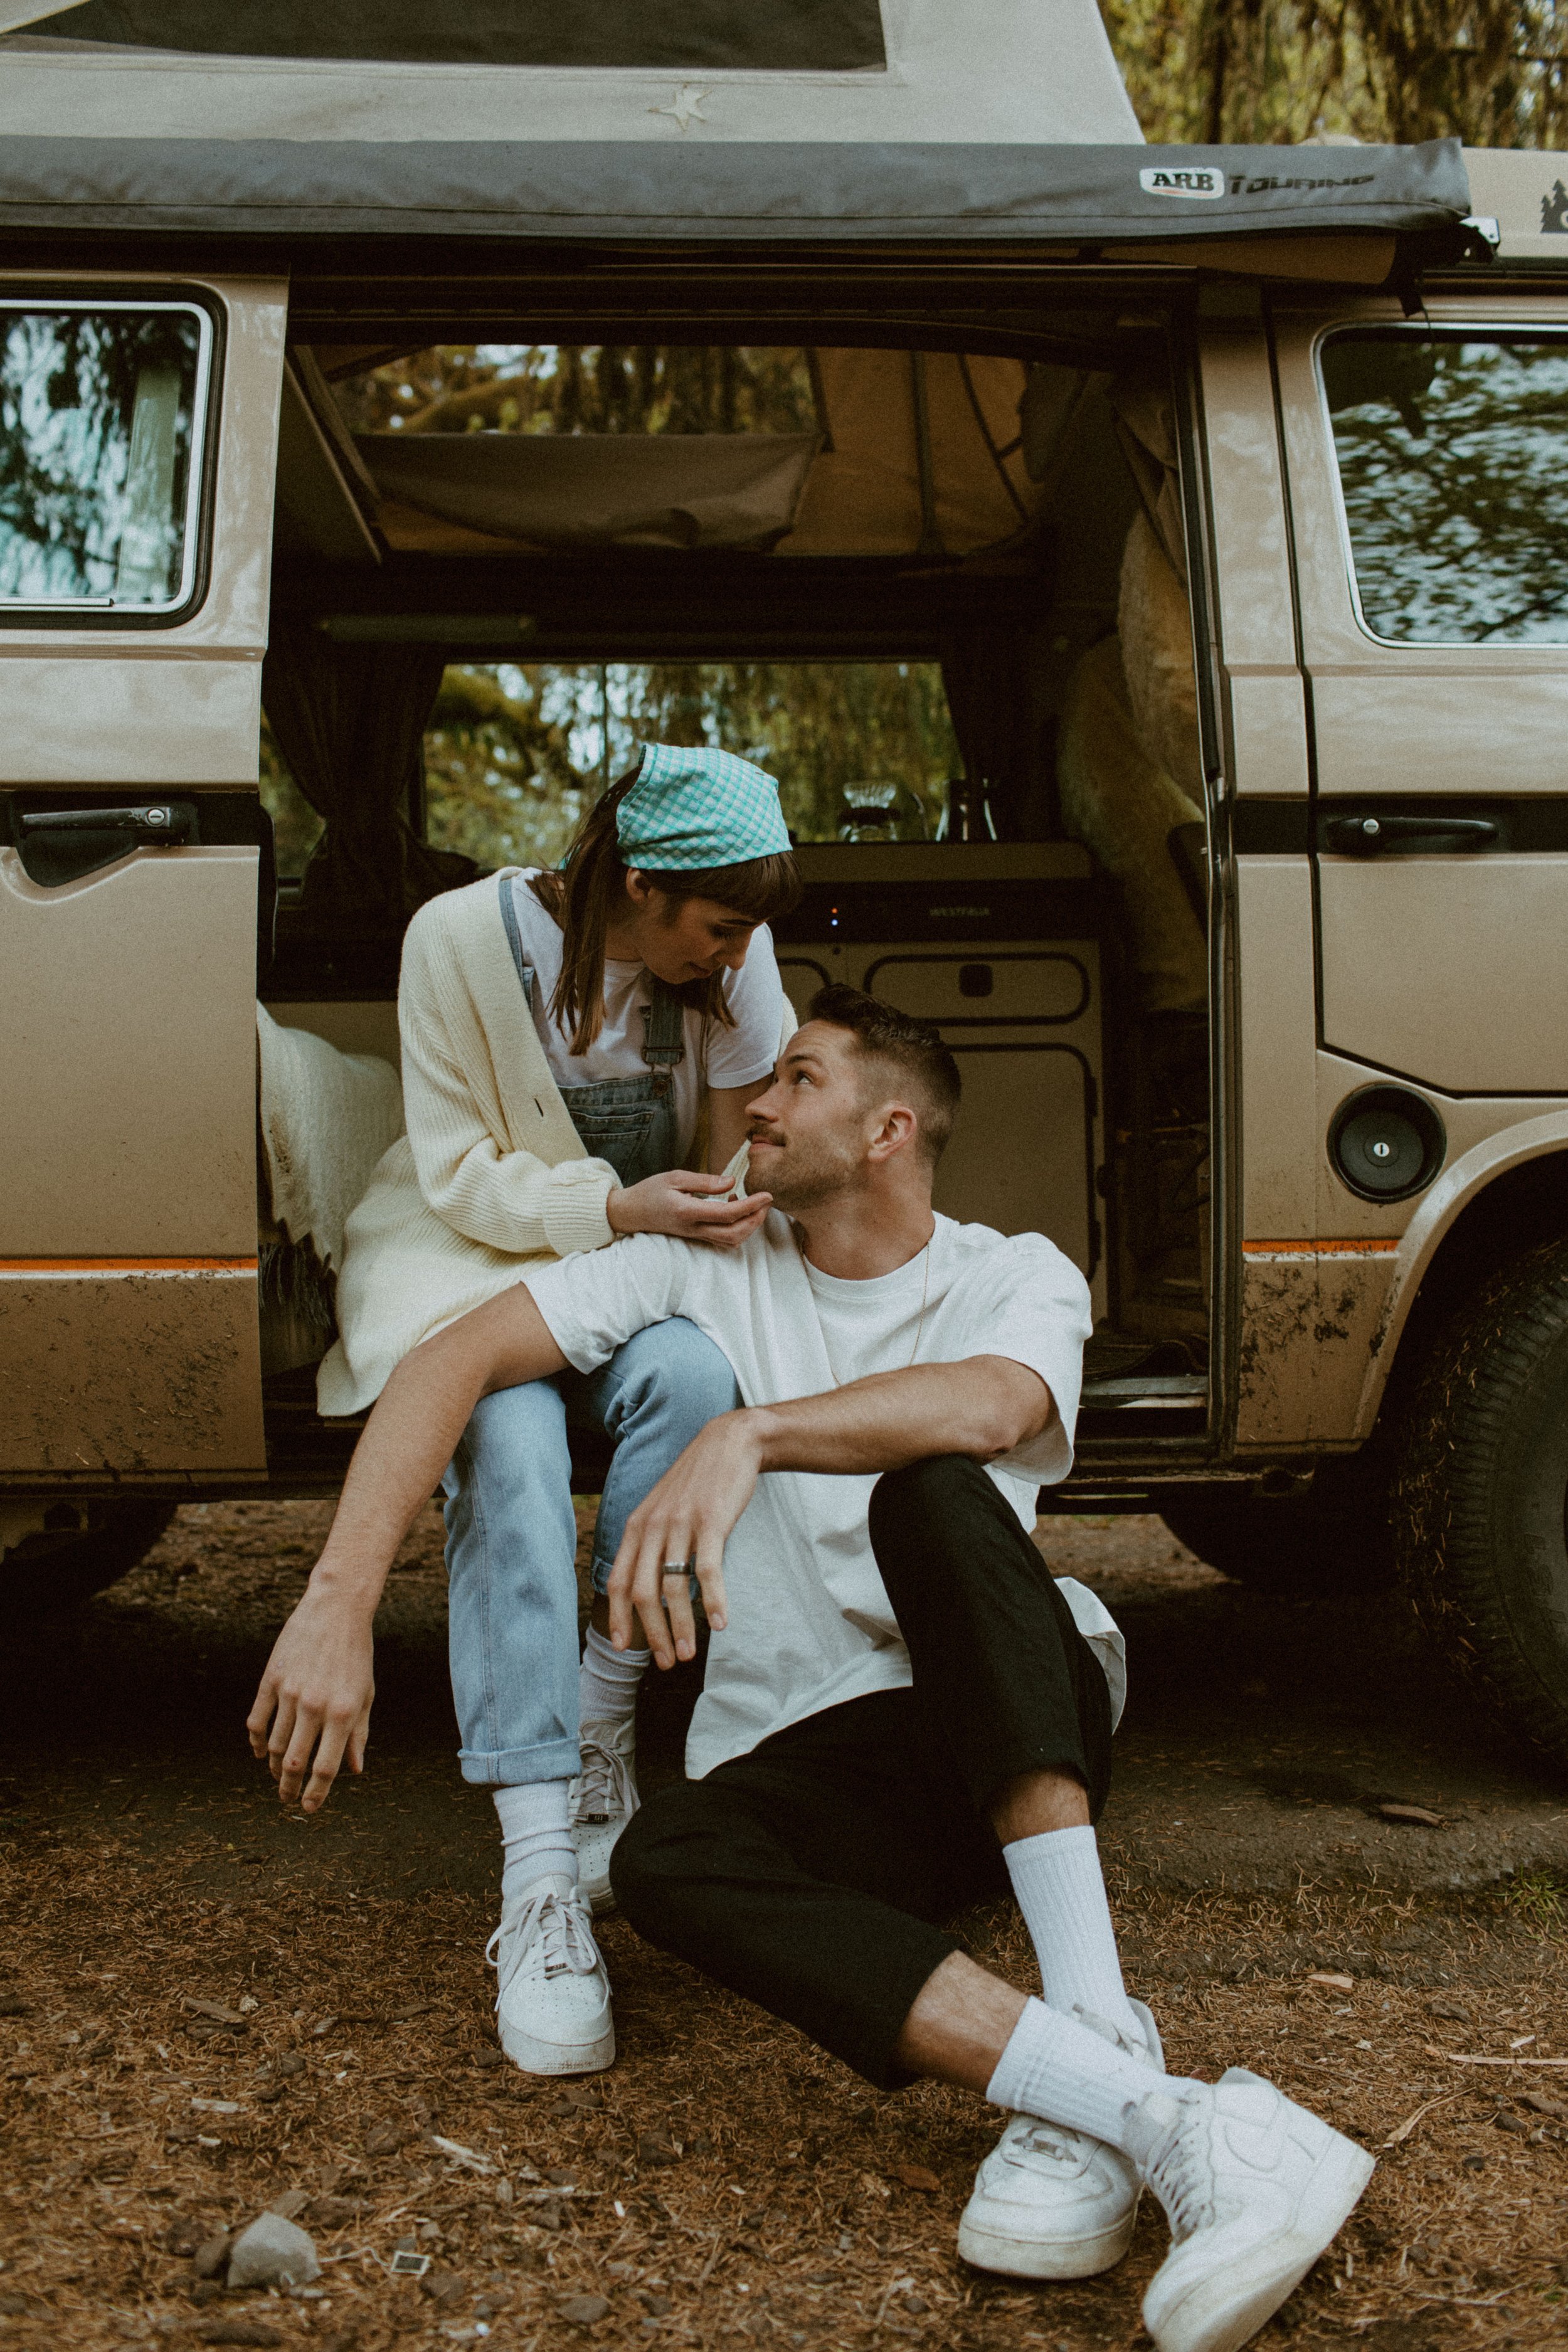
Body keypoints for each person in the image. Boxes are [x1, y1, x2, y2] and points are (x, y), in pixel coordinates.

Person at [246, 985, 1374, 2352]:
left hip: (1011, 1705)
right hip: (829, 1761)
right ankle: (1143, 2111)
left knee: (929, 1494)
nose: (754, 1107)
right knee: (667, 1863)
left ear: (889, 1126)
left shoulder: (1011, 1270)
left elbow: (993, 1406)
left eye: (796, 1079)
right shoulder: (704, 1264)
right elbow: (451, 1358)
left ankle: (1089, 2010)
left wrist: (754, 1434)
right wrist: (336, 1601)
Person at [251, 743, 799, 2074]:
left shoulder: (733, 961)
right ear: (639, 883)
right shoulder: (454, 938)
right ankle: (539, 1860)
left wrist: (704, 1208)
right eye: (715, 928)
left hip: (635, 1273)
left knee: (692, 1377)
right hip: (475, 1251)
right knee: (504, 1425)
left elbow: (729, 1151)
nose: (732, 961)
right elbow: (453, 1174)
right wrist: (611, 1206)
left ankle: (603, 1712)